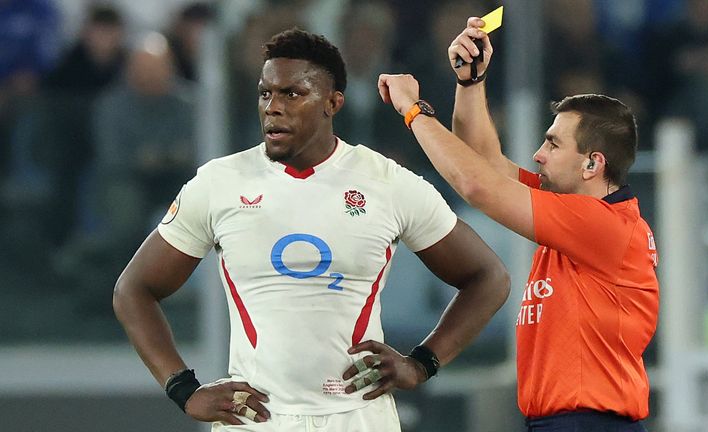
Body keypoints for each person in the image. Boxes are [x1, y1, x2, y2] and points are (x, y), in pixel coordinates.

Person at [113, 28, 510, 431]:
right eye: (265, 93)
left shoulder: (387, 183)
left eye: (292, 94)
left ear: (332, 103)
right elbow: (133, 290)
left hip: (358, 418)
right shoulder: (220, 183)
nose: (273, 107)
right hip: (256, 420)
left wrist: (422, 363)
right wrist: (183, 389)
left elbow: (489, 277)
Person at [377, 16, 659, 432]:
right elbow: (483, 160)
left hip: (588, 424)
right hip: (563, 422)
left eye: (553, 144)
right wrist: (470, 83)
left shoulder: (603, 224)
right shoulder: (572, 210)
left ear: (592, 164)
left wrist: (413, 111)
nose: (538, 154)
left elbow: (476, 184)